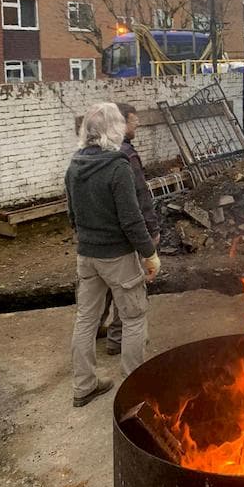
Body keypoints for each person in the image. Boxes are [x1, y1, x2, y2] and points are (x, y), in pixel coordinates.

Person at [66, 102, 160, 408]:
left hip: (86, 256)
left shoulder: (74, 165)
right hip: (117, 257)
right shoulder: (117, 166)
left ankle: (83, 386)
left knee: (86, 320)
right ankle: (135, 391)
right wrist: (150, 254)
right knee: (134, 318)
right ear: (114, 129)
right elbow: (131, 219)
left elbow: (72, 215)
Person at [100, 102, 160, 355]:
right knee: (129, 289)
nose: (137, 125)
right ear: (122, 123)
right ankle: (116, 339)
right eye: (134, 122)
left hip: (100, 236)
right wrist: (152, 230)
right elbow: (139, 197)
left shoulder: (96, 151)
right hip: (124, 237)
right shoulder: (126, 156)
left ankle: (95, 328)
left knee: (103, 288)